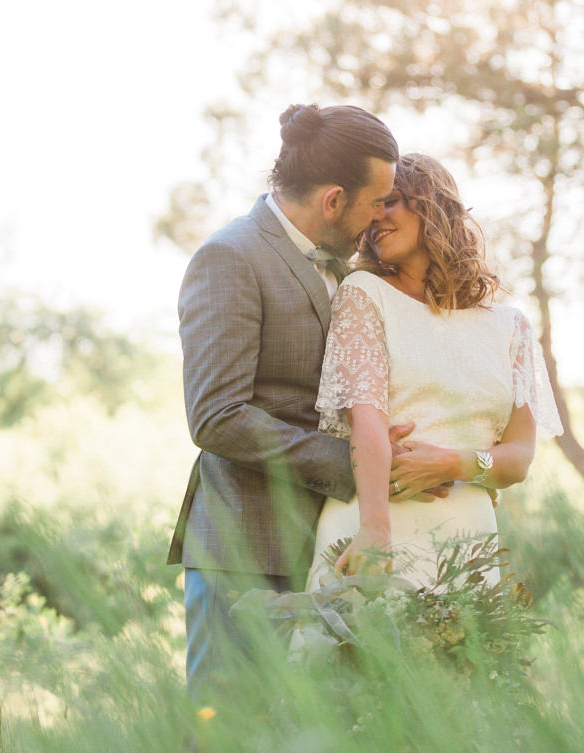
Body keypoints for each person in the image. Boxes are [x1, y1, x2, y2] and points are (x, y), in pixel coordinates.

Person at [169, 106, 461, 702]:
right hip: (248, 549)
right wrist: (353, 461)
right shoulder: (230, 256)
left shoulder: (357, 273)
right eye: (376, 200)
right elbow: (216, 416)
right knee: (231, 733)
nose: (382, 214)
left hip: (335, 547)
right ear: (334, 201)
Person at [307, 153, 564, 589]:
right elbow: (366, 422)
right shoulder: (363, 293)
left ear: (432, 205)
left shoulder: (509, 326)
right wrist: (374, 531)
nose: (376, 218)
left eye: (390, 202)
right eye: (371, 207)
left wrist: (451, 463)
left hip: (468, 537)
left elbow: (519, 459)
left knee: (463, 658)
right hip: (377, 524)